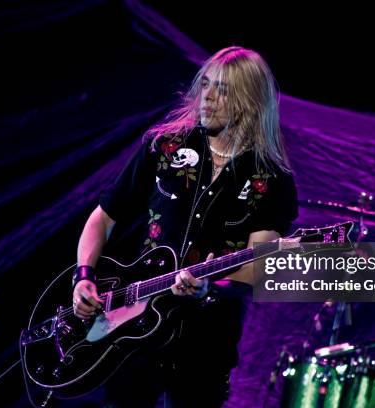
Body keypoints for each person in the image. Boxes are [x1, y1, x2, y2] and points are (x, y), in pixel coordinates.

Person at [72, 46, 298, 407]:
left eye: (222, 89)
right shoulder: (164, 146)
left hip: (206, 344)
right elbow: (102, 218)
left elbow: (258, 269)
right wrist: (84, 275)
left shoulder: (271, 179)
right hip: (134, 334)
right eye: (205, 84)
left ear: (250, 101)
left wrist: (211, 285)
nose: (206, 96)